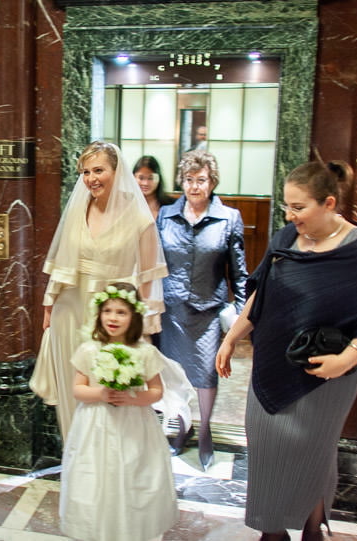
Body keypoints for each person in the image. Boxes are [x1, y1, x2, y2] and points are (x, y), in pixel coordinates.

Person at [215, 160, 357, 541]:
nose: (289, 214)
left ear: (329, 203)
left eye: (299, 207)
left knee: (311, 454)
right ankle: (273, 530)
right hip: (271, 365)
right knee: (266, 449)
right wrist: (233, 337)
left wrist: (346, 360)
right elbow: (260, 294)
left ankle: (313, 529)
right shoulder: (285, 238)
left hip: (326, 377)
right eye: (287, 206)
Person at [32, 141, 173, 442]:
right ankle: (75, 460)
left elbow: (147, 281)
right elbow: (62, 265)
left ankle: (106, 472)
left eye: (99, 170)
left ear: (116, 170)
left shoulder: (139, 218)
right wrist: (48, 308)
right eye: (85, 172)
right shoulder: (77, 209)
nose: (91, 178)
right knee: (74, 392)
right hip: (69, 312)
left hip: (113, 319)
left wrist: (142, 330)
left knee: (110, 395)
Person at [60, 283, 177, 541]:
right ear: (99, 314)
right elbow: (78, 389)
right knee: (97, 478)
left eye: (121, 312)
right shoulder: (89, 349)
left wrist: (133, 397)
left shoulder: (144, 352)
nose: (113, 318)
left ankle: (131, 529)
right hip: (96, 425)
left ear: (134, 316)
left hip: (133, 424)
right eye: (108, 311)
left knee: (132, 473)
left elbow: (157, 391)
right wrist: (101, 394)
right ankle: (97, 529)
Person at [157, 150, 248, 469]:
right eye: (189, 180)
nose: (195, 187)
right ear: (181, 182)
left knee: (207, 374)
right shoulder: (165, 215)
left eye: (202, 180)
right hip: (171, 309)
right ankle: (182, 428)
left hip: (208, 309)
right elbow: (155, 263)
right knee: (174, 375)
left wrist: (240, 311)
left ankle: (206, 430)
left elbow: (239, 270)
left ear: (212, 182)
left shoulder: (229, 218)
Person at [133, 155, 174, 220]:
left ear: (159, 178)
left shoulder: (172, 205)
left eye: (150, 178)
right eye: (141, 178)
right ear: (133, 177)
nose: (145, 183)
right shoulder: (126, 204)